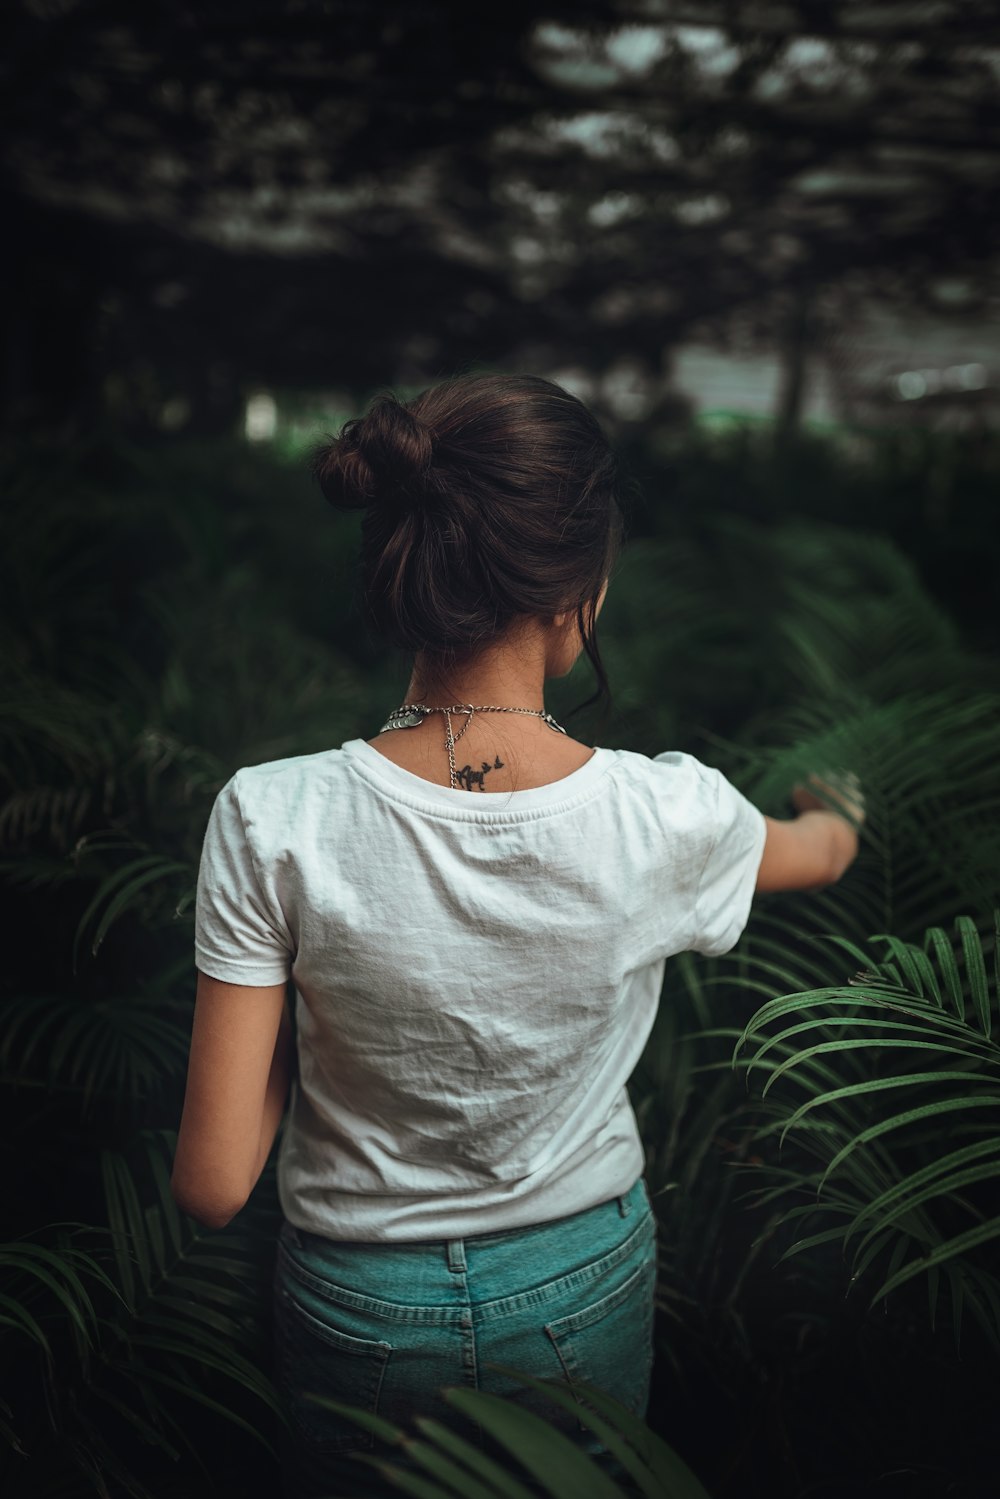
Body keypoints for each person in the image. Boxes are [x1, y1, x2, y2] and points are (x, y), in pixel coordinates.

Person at [170, 372, 865, 1499]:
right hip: (578, 1281)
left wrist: (327, 1005)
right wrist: (844, 804)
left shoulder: (272, 814)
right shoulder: (665, 814)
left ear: (403, 561)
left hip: (360, 1301)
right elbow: (816, 851)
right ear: (577, 592)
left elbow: (210, 1182)